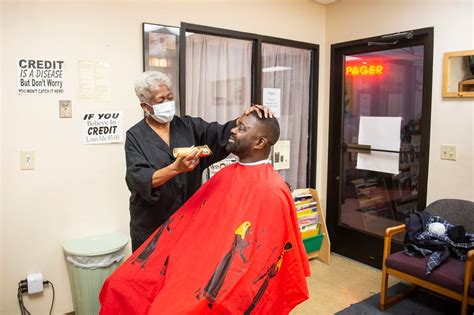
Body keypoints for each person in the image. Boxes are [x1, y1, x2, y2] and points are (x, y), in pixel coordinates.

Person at [100, 112, 310, 314]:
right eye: (237, 126)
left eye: (242, 128)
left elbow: (263, 264)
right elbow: (140, 180)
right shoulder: (227, 174)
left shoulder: (272, 190)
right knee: (120, 284)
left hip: (222, 279)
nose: (233, 131)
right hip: (192, 261)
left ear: (259, 143)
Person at [126, 71, 272, 251]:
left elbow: (222, 134)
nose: (167, 104)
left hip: (187, 219)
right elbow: (139, 179)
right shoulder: (135, 137)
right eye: (160, 100)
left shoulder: (189, 127)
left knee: (183, 271)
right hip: (151, 224)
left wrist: (243, 119)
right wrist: (175, 169)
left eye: (170, 97)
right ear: (145, 106)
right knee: (150, 275)